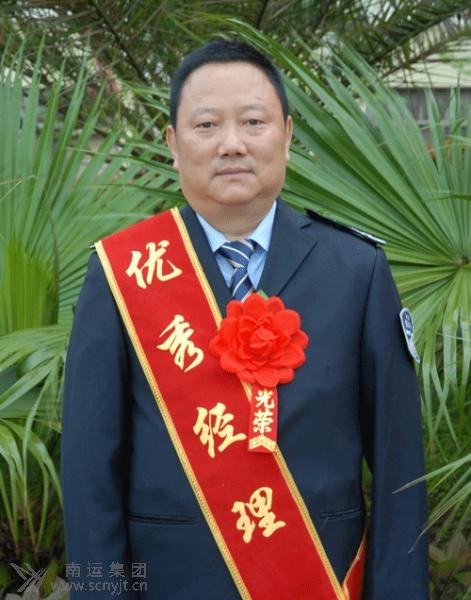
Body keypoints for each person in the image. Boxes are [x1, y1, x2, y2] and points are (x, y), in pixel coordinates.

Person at [61, 39, 429, 599]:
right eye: (206, 125)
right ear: (173, 144)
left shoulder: (357, 271)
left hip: (321, 580)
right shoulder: (122, 273)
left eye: (253, 121)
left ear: (287, 134)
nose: (231, 144)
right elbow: (90, 475)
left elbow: (399, 470)